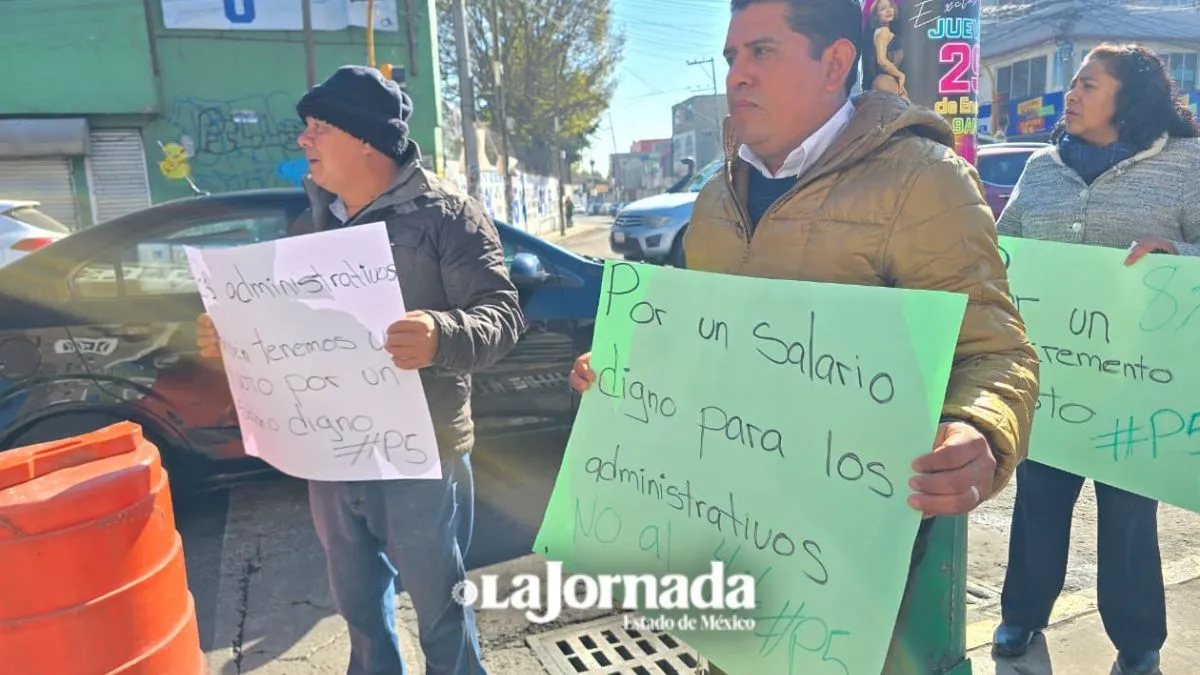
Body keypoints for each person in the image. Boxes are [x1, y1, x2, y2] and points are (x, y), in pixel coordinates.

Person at [569, 0, 1040, 672]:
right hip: (728, 534)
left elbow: (996, 352)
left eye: (762, 51)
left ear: (836, 64)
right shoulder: (714, 198)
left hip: (857, 570)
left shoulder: (921, 180)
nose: (737, 76)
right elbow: (704, 343)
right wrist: (625, 371)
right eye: (732, 57)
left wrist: (981, 430)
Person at [197, 65, 525, 675]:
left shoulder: (448, 216)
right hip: (331, 452)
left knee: (440, 613)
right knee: (359, 609)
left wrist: (440, 333)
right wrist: (235, 338)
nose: (304, 140)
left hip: (421, 450)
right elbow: (288, 330)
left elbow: (502, 318)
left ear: (366, 140)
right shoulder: (309, 225)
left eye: (319, 127)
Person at [993, 43, 1200, 675]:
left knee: (1129, 519)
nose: (1070, 96)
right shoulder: (1041, 167)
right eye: (1073, 84)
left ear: (1128, 97)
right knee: (1036, 503)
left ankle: (1139, 643)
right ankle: (1022, 615)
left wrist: (1180, 254)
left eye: (1087, 84)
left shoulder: (1186, 164)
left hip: (1140, 381)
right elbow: (1007, 248)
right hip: (1050, 382)